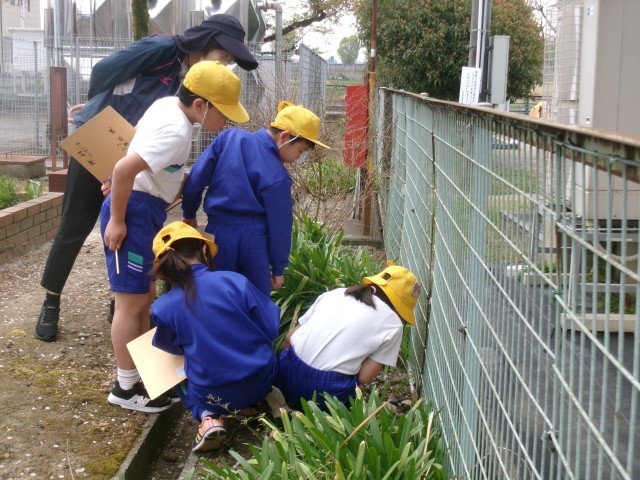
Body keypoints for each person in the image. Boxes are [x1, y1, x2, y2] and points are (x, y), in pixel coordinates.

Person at [35, 14, 259, 342]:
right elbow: (104, 71)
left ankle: (121, 302)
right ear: (207, 43)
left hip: (139, 153)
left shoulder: (192, 87)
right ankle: (51, 300)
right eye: (223, 56)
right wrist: (101, 104)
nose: (222, 64)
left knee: (128, 230)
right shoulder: (163, 49)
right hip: (106, 139)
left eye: (227, 62)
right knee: (76, 224)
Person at [102, 61, 249, 413]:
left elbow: (133, 143)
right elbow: (124, 167)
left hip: (144, 208)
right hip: (135, 210)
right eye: (223, 113)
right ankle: (125, 388)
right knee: (130, 302)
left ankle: (145, 376)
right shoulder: (176, 131)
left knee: (144, 296)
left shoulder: (167, 105)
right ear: (200, 105)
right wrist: (117, 219)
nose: (225, 122)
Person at [149, 221, 281, 452]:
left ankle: (208, 417)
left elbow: (173, 350)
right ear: (204, 249)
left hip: (214, 395)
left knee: (173, 370)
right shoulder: (235, 281)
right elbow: (271, 328)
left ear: (164, 271)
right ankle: (247, 407)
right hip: (262, 381)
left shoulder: (163, 308)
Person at [180, 101, 331, 297]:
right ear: (285, 137)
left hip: (218, 233)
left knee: (215, 294)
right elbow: (280, 225)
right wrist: (278, 267)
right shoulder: (278, 176)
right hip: (254, 240)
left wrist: (189, 212)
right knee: (256, 299)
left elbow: (197, 178)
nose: (298, 158)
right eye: (300, 151)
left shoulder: (229, 139)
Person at [274, 262, 421, 410]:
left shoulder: (337, 293)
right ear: (399, 307)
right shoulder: (394, 325)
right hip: (325, 391)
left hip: (285, 371)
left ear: (374, 284)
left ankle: (280, 398)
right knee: (351, 387)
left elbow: (289, 338)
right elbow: (363, 377)